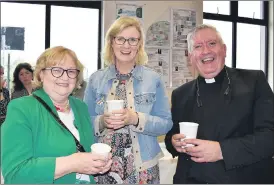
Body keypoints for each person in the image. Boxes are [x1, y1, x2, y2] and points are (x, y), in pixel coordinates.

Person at [165, 24, 274, 184]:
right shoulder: (181, 94)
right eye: (198, 46)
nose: (206, 51)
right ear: (190, 56)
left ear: (224, 49)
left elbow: (270, 137)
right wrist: (173, 141)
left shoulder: (253, 82)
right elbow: (172, 134)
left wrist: (222, 151)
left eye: (212, 43)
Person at [1, 46, 112, 184]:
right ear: (41, 74)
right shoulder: (21, 108)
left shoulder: (80, 107)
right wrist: (72, 163)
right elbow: (15, 173)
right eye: (57, 70)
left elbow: (84, 151)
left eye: (71, 71)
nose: (65, 77)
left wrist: (96, 164)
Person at [84, 16, 173, 184]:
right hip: (104, 166)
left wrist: (136, 118)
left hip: (143, 168)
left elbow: (166, 123)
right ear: (111, 42)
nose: (126, 45)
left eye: (132, 40)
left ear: (139, 44)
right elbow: (83, 123)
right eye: (121, 39)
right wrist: (102, 121)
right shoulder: (96, 80)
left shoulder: (153, 79)